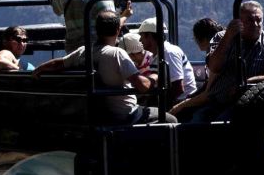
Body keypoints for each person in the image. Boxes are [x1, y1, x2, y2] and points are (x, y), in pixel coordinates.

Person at [34, 11, 176, 124]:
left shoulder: (83, 51)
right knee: (171, 120)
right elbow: (143, 86)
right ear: (118, 29)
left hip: (98, 115)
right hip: (125, 114)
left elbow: (58, 63)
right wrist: (155, 75)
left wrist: (38, 69)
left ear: (97, 30)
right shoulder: (116, 53)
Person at [187, 1, 264, 121]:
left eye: (259, 20)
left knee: (225, 121)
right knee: (197, 120)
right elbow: (214, 66)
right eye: (250, 20)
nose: (255, 24)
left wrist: (245, 84)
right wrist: (228, 36)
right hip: (218, 102)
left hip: (255, 104)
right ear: (239, 22)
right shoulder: (221, 37)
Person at [137, 17, 197, 103]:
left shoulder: (169, 52)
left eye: (141, 36)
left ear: (149, 36)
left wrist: (161, 106)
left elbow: (178, 89)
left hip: (181, 101)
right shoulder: (154, 55)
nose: (140, 40)